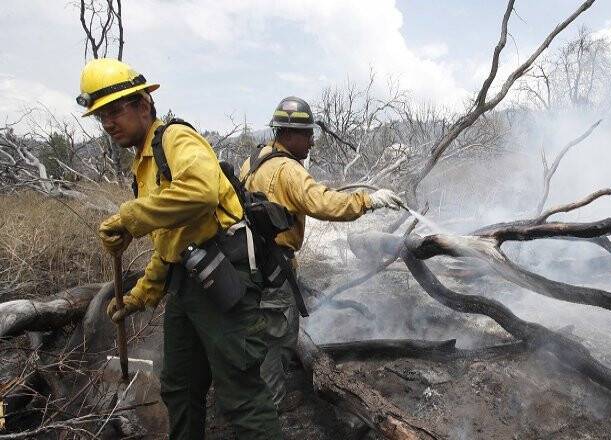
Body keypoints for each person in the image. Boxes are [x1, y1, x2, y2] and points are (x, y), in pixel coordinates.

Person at [81, 58, 282, 439]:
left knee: (240, 394)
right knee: (179, 388)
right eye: (100, 116)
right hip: (186, 285)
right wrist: (141, 294)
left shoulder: (174, 139)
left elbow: (201, 191)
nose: (107, 123)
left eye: (115, 111)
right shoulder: (143, 165)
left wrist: (129, 217)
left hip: (223, 279)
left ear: (143, 105)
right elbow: (170, 242)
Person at [239, 95, 405, 409]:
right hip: (274, 275)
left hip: (251, 270)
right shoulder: (287, 170)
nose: (313, 141)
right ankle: (264, 419)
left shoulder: (254, 161)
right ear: (288, 134)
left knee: (258, 342)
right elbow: (323, 202)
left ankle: (255, 401)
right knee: (275, 346)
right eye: (307, 134)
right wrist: (369, 201)